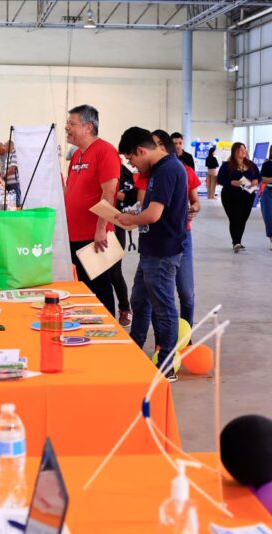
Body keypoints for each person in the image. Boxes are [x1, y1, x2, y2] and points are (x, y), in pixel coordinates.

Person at [114, 127, 188, 379]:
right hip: (151, 249)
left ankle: (166, 364)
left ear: (141, 151)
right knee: (140, 300)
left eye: (131, 159)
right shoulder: (159, 169)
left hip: (163, 251)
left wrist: (130, 219)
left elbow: (154, 214)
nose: (132, 166)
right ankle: (135, 348)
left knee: (163, 307)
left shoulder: (168, 169)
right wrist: (136, 214)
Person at [64, 104, 120, 315]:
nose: (67, 128)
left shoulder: (105, 151)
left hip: (93, 236)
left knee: (99, 290)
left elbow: (109, 192)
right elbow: (71, 191)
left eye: (72, 124)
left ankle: (108, 329)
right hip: (73, 235)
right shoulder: (77, 155)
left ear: (88, 127)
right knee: (80, 290)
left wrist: (101, 228)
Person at [151, 130, 201, 327]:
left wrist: (194, 208)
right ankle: (163, 337)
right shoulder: (152, 172)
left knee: (186, 292)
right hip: (160, 237)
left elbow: (195, 201)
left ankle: (186, 335)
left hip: (183, 235)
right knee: (162, 293)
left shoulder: (186, 170)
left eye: (180, 143)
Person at [216, 142, 260, 252]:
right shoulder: (227, 165)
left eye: (244, 149)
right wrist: (231, 182)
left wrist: (256, 180)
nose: (243, 151)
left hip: (248, 196)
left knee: (243, 219)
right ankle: (236, 242)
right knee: (235, 218)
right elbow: (220, 179)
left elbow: (259, 176)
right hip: (230, 196)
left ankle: (238, 241)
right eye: (240, 149)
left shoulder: (251, 164)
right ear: (235, 151)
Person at [112, 157, 138, 326]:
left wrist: (109, 192)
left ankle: (124, 308)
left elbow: (131, 198)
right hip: (89, 224)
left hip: (116, 223)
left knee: (114, 270)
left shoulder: (124, 173)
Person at [0, 141, 20, 206]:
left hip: (14, 184)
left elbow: (12, 169)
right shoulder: (8, 155)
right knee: (10, 203)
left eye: (5, 146)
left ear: (10, 146)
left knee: (15, 203)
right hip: (8, 183)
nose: (4, 148)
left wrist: (3, 176)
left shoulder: (14, 154)